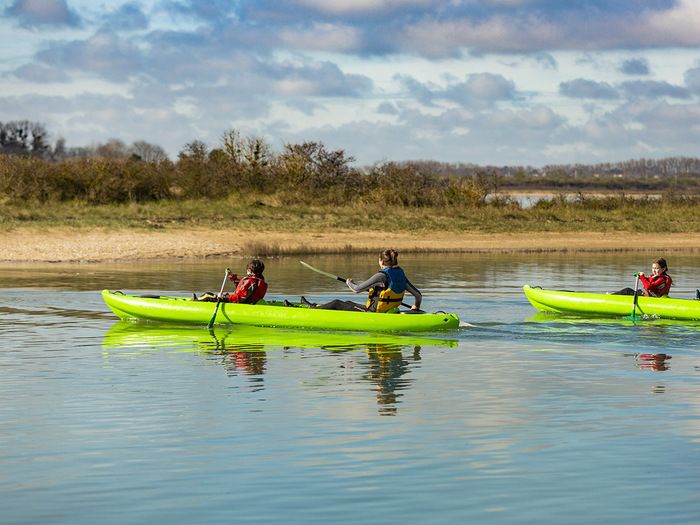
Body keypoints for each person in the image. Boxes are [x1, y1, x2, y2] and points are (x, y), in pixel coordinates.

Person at [299, 249, 422, 312]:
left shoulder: (382, 275)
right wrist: (415, 307)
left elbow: (356, 290)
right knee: (347, 302)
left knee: (337, 303)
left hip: (373, 314)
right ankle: (314, 306)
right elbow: (418, 296)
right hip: (387, 312)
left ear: (382, 261)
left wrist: (349, 283)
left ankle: (312, 311)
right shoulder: (400, 274)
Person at [193, 259, 268, 304]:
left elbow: (240, 297)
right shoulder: (259, 281)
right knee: (218, 295)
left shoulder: (250, 281)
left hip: (241, 304)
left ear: (249, 270)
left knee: (207, 295)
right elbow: (244, 289)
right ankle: (197, 300)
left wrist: (224, 298)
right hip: (250, 303)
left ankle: (194, 303)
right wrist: (231, 276)